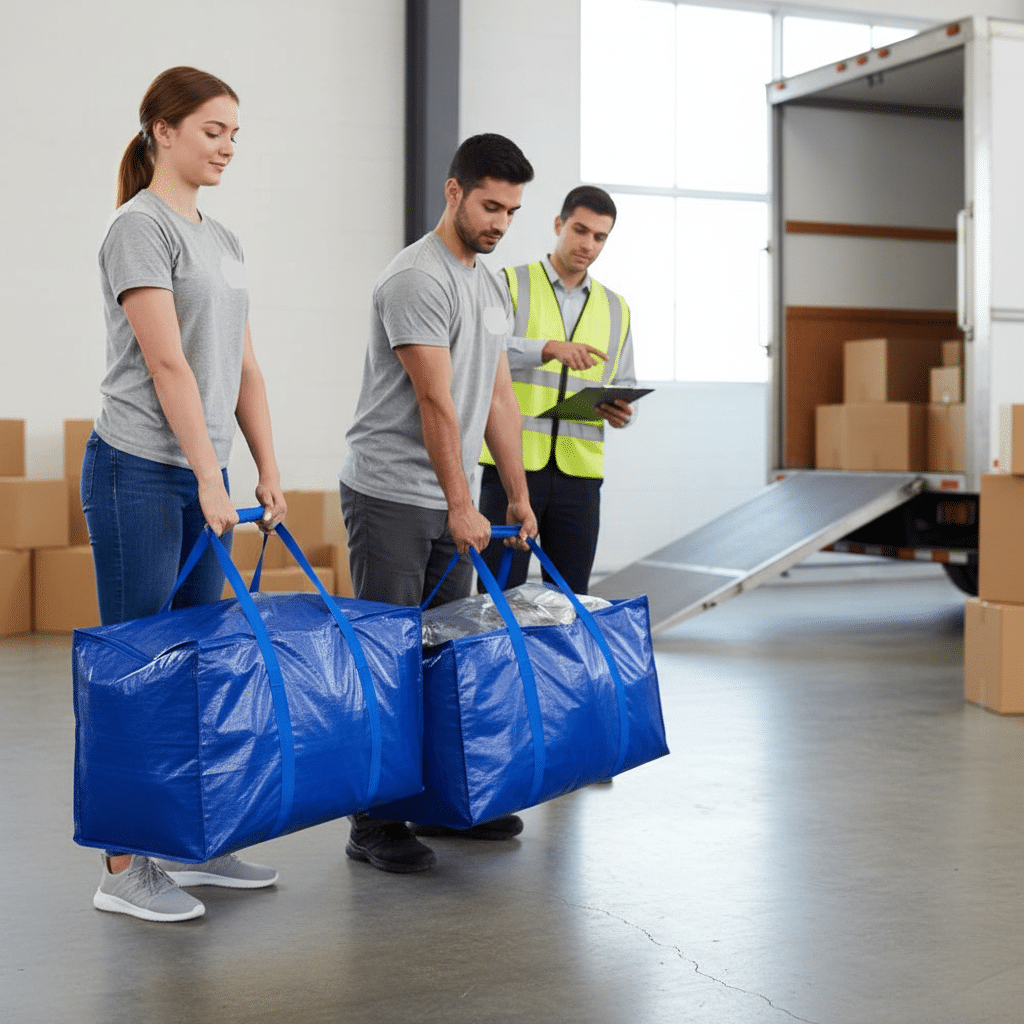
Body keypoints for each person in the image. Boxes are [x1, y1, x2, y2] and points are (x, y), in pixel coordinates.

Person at [82, 66, 288, 922]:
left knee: (202, 663)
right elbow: (166, 363)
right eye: (213, 130)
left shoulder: (224, 240)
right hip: (137, 468)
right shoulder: (138, 228)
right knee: (136, 669)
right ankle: (123, 865)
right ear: (161, 131)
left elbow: (240, 365)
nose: (228, 146)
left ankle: (186, 840)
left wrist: (266, 469)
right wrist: (209, 473)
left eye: (235, 132)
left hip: (205, 474)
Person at [338, 133, 539, 873]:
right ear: (453, 191)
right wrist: (463, 503)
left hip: (456, 500)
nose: (500, 223)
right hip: (392, 493)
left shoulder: (488, 285)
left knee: (444, 657)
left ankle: (439, 804)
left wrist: (515, 495)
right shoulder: (415, 279)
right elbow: (435, 400)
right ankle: (372, 822)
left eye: (513, 211)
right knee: (389, 658)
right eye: (490, 206)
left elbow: (496, 395)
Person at [477, 186, 636, 595]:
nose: (588, 244)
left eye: (600, 237)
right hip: (511, 466)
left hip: (579, 478)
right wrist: (547, 349)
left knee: (571, 601)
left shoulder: (617, 308)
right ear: (559, 224)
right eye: (580, 230)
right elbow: (483, 353)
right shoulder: (506, 284)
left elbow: (625, 382)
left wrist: (622, 412)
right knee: (498, 597)